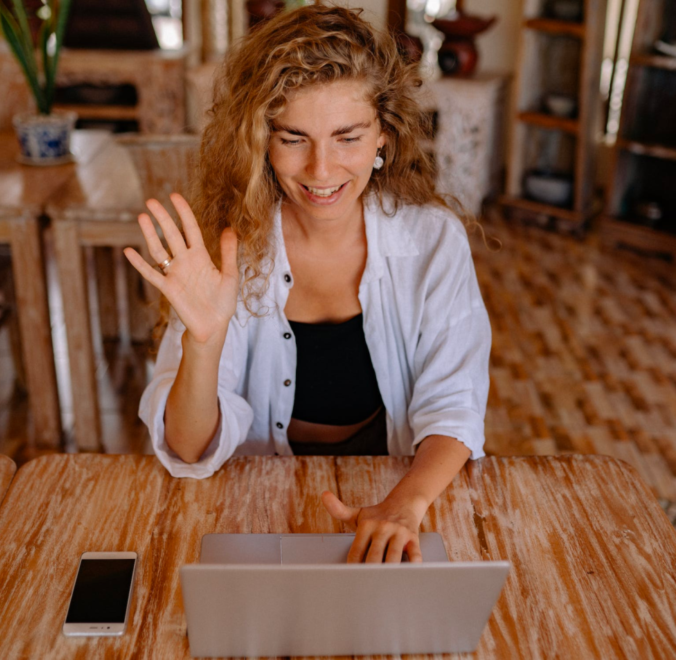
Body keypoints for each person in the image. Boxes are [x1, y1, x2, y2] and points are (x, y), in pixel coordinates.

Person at [124, 5, 491, 564]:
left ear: (383, 138)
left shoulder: (432, 241)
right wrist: (204, 342)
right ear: (262, 143)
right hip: (251, 504)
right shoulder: (230, 248)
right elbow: (187, 448)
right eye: (293, 138)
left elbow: (454, 405)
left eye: (347, 137)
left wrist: (404, 505)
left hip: (397, 487)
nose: (322, 170)